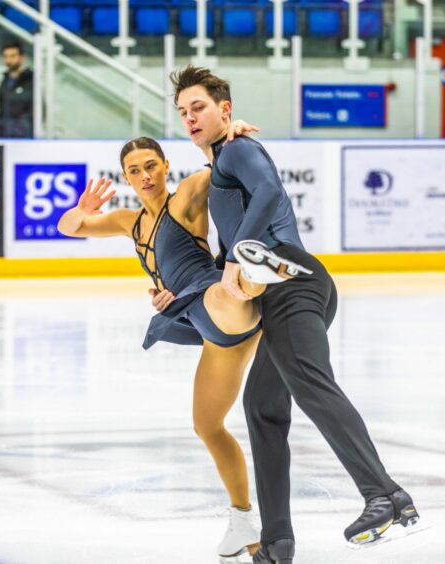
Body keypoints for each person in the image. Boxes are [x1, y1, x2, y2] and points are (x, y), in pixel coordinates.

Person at [170, 65, 422, 564]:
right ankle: (277, 544)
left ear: (226, 110)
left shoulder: (238, 149)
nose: (189, 117)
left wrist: (239, 254)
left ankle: (384, 495)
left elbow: (269, 194)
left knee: (309, 382)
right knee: (263, 408)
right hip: (279, 289)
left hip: (292, 279)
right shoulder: (222, 161)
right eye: (182, 112)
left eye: (198, 107)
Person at [57, 133, 307, 561]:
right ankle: (243, 521)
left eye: (151, 165)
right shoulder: (128, 222)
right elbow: (69, 228)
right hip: (207, 325)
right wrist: (80, 210)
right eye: (134, 171)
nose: (145, 176)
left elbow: (230, 166)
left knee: (225, 296)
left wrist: (233, 132)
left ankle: (253, 273)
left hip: (215, 297)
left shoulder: (186, 196)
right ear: (125, 177)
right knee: (207, 425)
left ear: (165, 165)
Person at [0, 41, 34, 139]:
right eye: (6, 56)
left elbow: (35, 109)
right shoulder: (4, 81)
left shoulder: (31, 81)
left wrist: (23, 125)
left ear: (22, 58)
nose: (8, 60)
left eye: (13, 56)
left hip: (24, 136)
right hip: (5, 134)